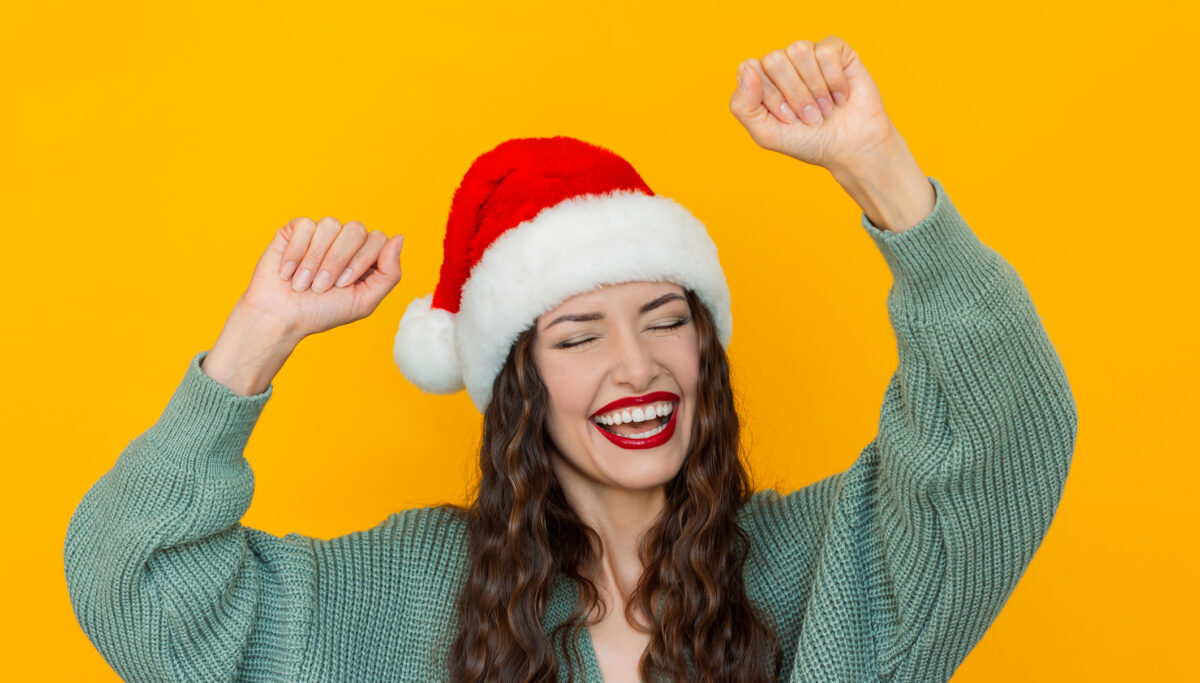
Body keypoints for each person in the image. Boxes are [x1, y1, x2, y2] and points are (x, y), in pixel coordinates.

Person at [64, 35, 1077, 683]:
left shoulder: (815, 566)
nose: (637, 365)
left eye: (665, 319)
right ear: (520, 386)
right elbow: (139, 589)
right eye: (579, 335)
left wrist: (880, 171)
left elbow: (1005, 437)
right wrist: (256, 338)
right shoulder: (414, 590)